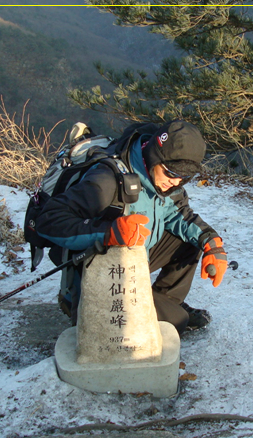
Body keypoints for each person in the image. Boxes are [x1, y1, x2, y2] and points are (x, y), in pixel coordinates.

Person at [36, 120, 227, 334]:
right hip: (101, 275)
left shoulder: (163, 179)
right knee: (175, 324)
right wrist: (109, 232)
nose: (176, 182)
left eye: (185, 177)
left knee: (191, 242)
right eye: (172, 173)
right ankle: (76, 303)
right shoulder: (107, 179)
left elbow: (179, 214)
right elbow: (49, 220)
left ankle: (164, 303)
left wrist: (212, 243)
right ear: (155, 156)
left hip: (134, 262)